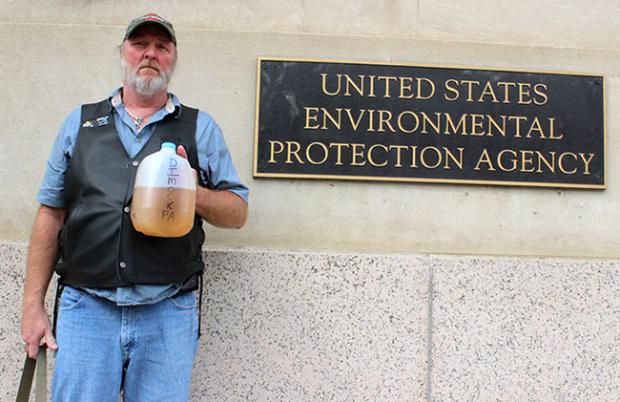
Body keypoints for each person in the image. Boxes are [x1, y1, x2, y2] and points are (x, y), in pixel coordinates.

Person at [20, 13, 249, 401]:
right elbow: (51, 213)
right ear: (123, 53)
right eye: (140, 44)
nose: (150, 54)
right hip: (87, 306)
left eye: (162, 46)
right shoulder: (80, 123)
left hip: (166, 310)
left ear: (173, 59)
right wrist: (32, 305)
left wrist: (194, 191)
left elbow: (238, 211)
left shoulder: (200, 128)